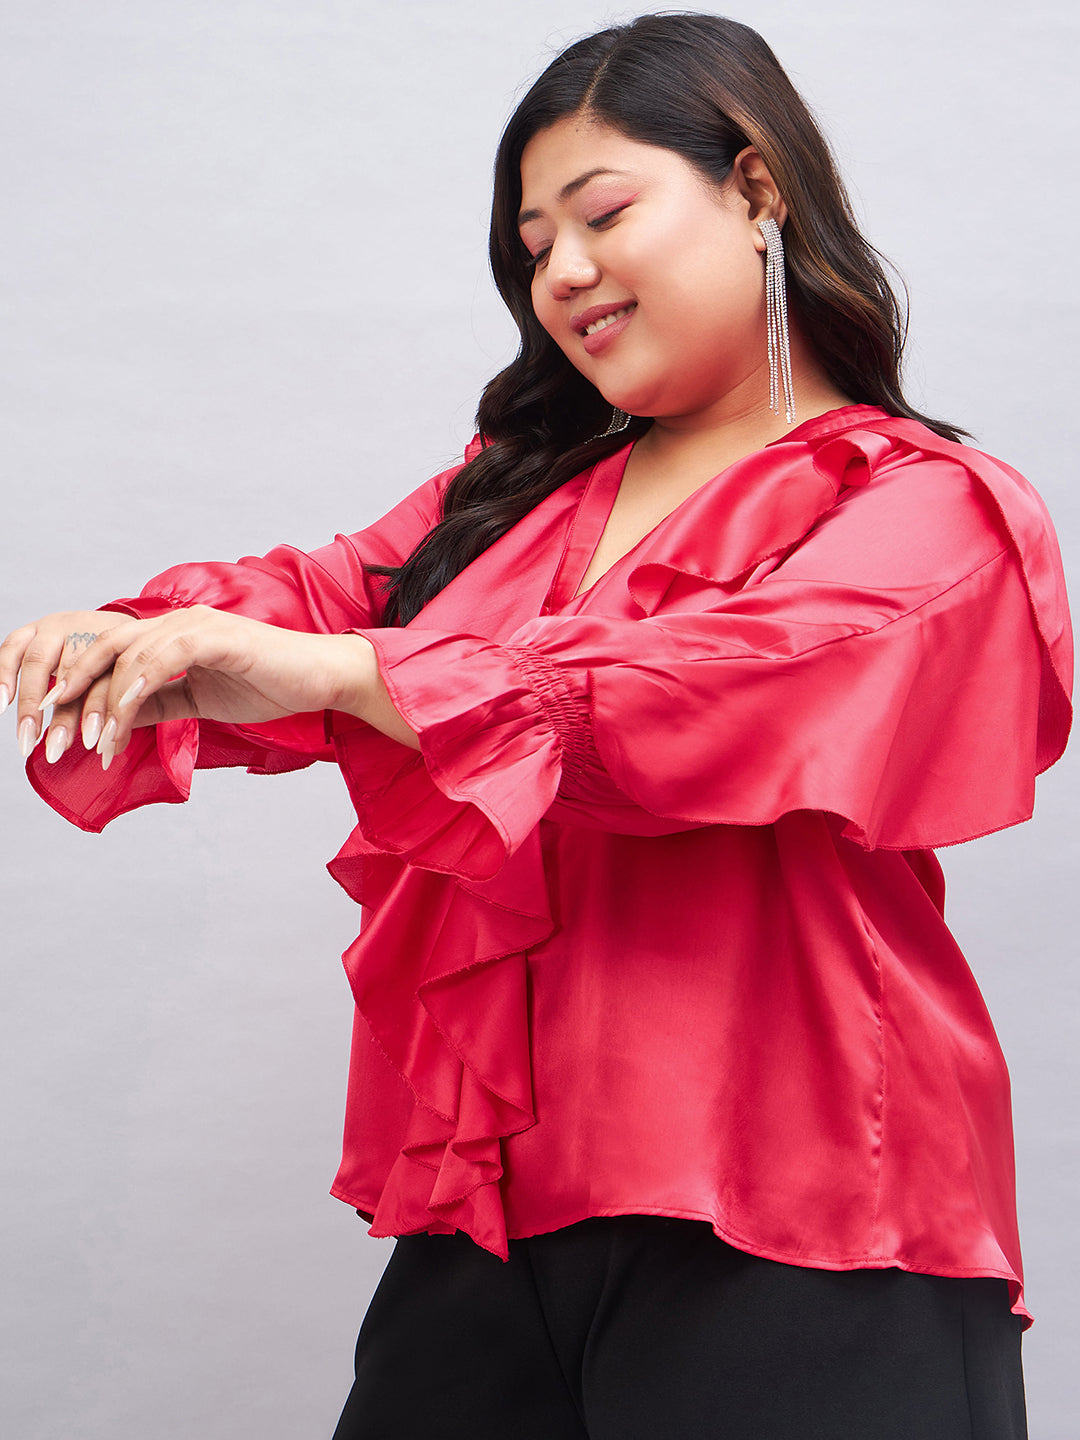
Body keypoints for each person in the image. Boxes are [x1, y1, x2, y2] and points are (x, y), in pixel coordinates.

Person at [1, 13, 1071, 1439]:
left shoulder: (923, 504)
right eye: (531, 243)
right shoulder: (513, 501)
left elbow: (713, 688)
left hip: (811, 1209)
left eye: (603, 213)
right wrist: (140, 637)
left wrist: (338, 674)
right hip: (492, 1220)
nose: (561, 273)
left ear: (757, 190)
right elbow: (327, 597)